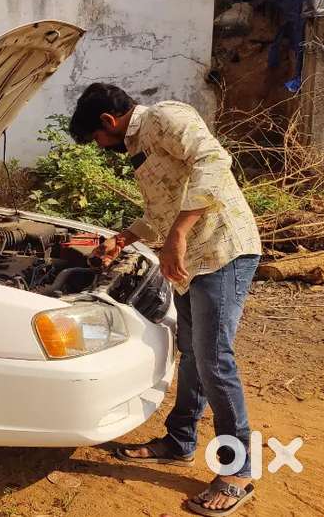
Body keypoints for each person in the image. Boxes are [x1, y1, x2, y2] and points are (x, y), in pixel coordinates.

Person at [68, 83, 262, 517]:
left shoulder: (165, 117)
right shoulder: (139, 145)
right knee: (192, 354)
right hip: (190, 261)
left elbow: (214, 160)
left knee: (215, 360)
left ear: (108, 122)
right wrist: (126, 238)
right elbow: (161, 209)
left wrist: (177, 234)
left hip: (221, 252)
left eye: (97, 140)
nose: (101, 149)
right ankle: (179, 442)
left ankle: (240, 470)